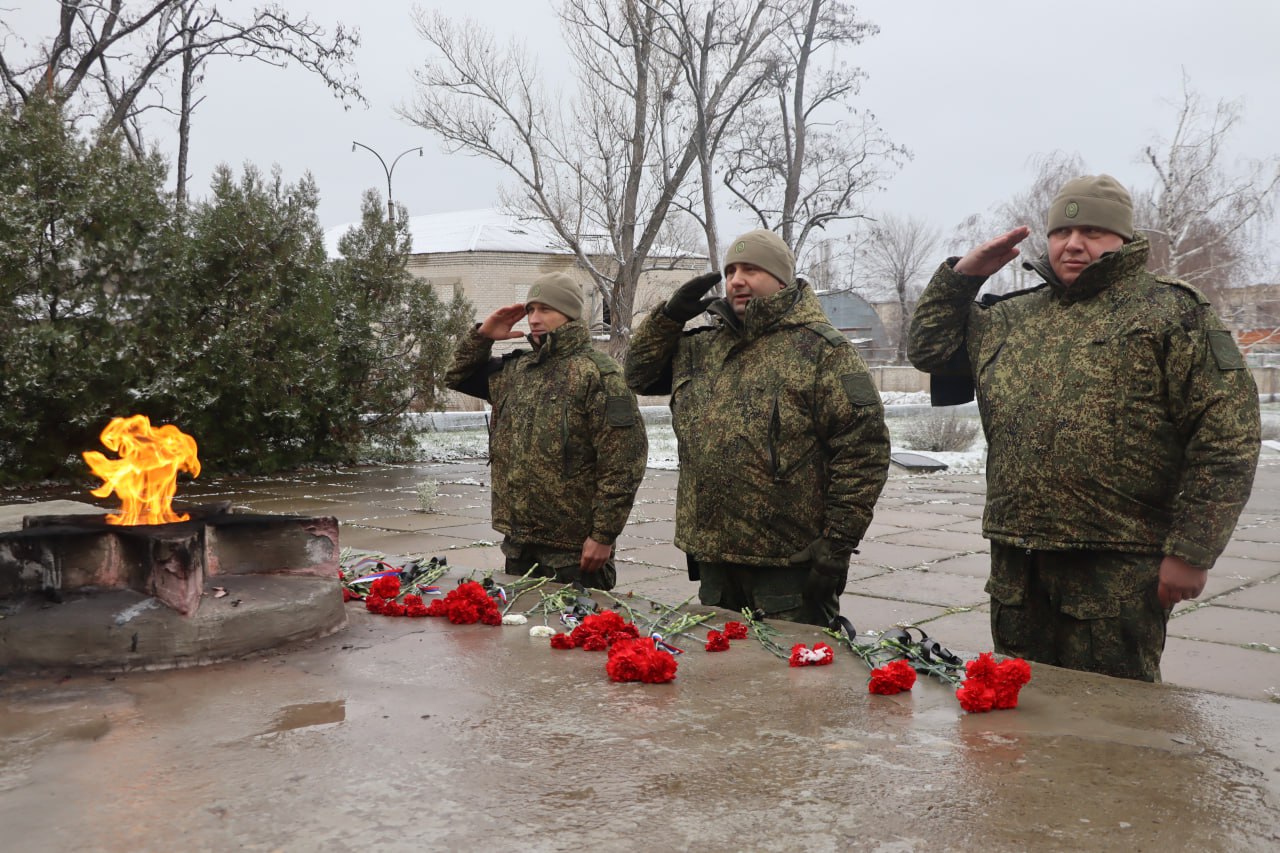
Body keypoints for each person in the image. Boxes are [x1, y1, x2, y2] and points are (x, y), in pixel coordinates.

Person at [908, 174, 1261, 681]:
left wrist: (1193, 551)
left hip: (1117, 564)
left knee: (1115, 722)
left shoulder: (1171, 312)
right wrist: (963, 277)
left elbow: (1226, 438)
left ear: (1123, 238)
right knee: (1020, 707)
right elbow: (929, 350)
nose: (1073, 244)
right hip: (1019, 557)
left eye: (1093, 231)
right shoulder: (1011, 316)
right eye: (1060, 233)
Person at [625, 229, 890, 627]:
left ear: (781, 279)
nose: (736, 280)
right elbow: (639, 375)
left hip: (789, 563)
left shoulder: (822, 351)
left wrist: (836, 545)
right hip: (715, 558)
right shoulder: (702, 347)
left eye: (751, 269)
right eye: (730, 270)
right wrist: (668, 317)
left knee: (796, 681)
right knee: (719, 676)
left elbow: (863, 452)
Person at [445, 272, 647, 590]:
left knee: (580, 635)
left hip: (574, 553)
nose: (535, 319)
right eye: (530, 310)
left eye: (545, 310)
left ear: (569, 314)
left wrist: (603, 536)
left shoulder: (598, 374)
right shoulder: (516, 371)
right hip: (520, 544)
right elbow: (455, 376)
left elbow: (623, 463)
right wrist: (483, 336)